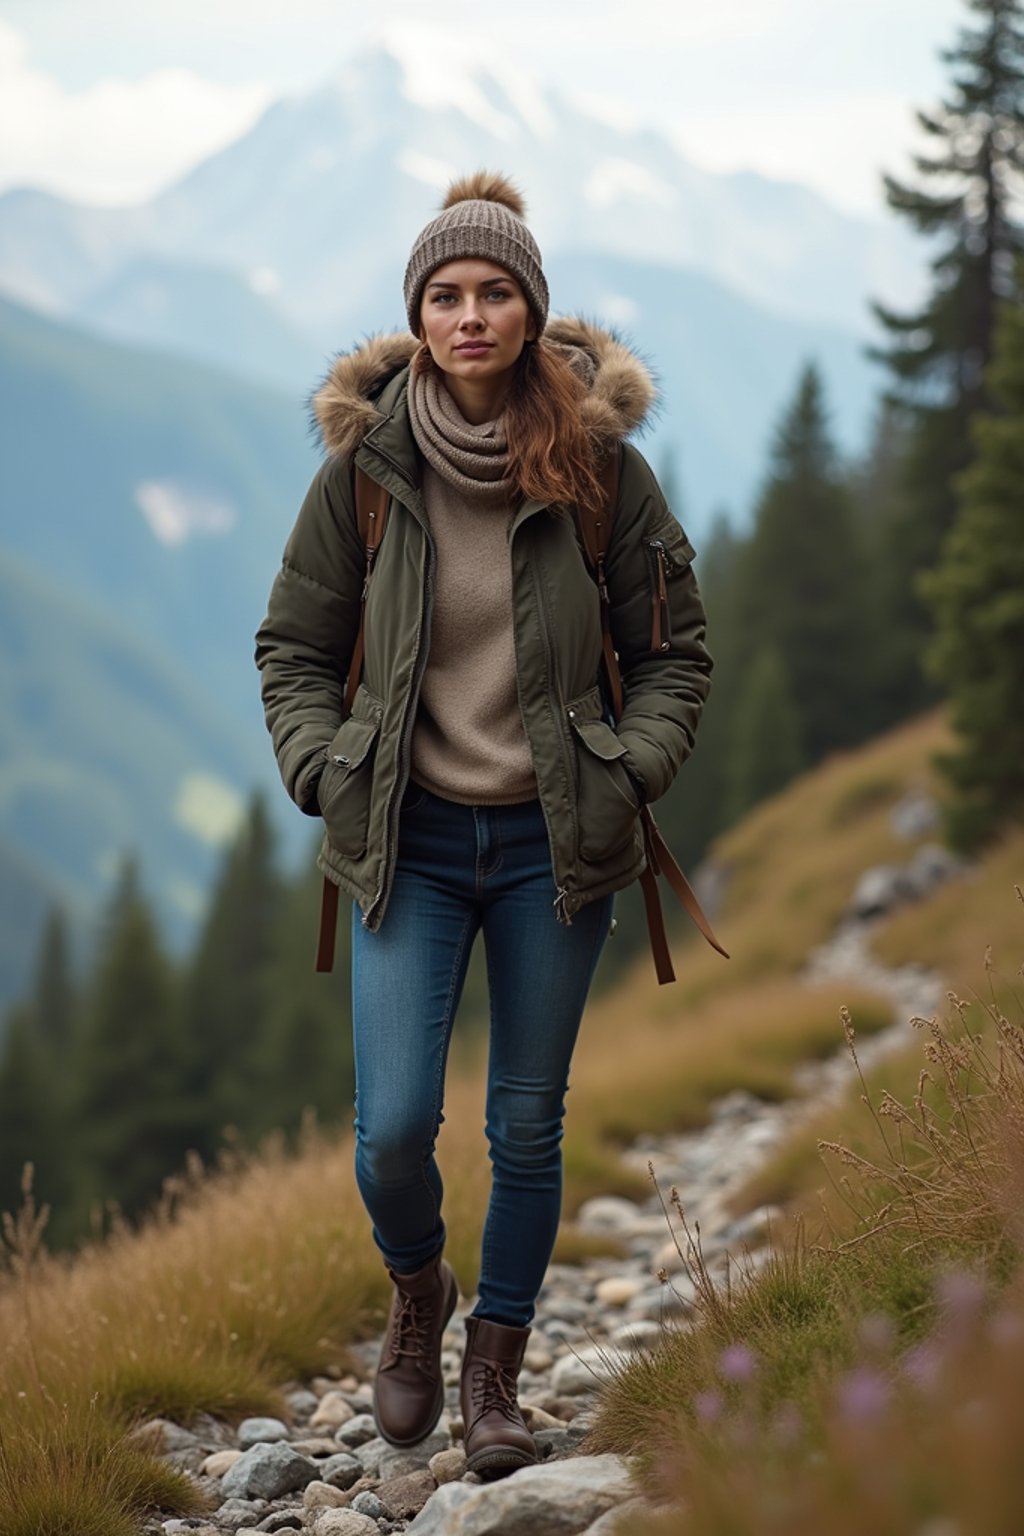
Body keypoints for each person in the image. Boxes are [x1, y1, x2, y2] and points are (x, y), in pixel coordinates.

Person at [254, 171, 712, 1480]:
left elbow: (674, 654)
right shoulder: (366, 474)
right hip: (405, 845)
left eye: (493, 292)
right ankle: (419, 1290)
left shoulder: (602, 471)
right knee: (394, 1128)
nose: (470, 315)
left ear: (529, 310)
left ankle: (495, 1367)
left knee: (526, 1124)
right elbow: (292, 646)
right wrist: (324, 769)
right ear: (419, 313)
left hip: (553, 852)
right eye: (446, 295)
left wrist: (630, 769)